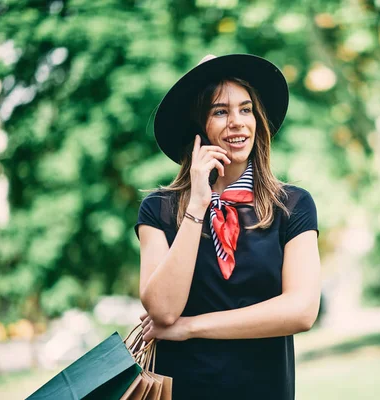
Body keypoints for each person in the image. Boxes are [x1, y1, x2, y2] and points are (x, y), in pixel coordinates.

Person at [133, 54, 321, 400]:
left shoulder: (291, 206)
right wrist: (198, 205)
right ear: (198, 127)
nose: (237, 122)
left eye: (246, 109)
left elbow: (301, 310)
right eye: (220, 111)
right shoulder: (158, 210)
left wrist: (191, 327)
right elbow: (162, 310)